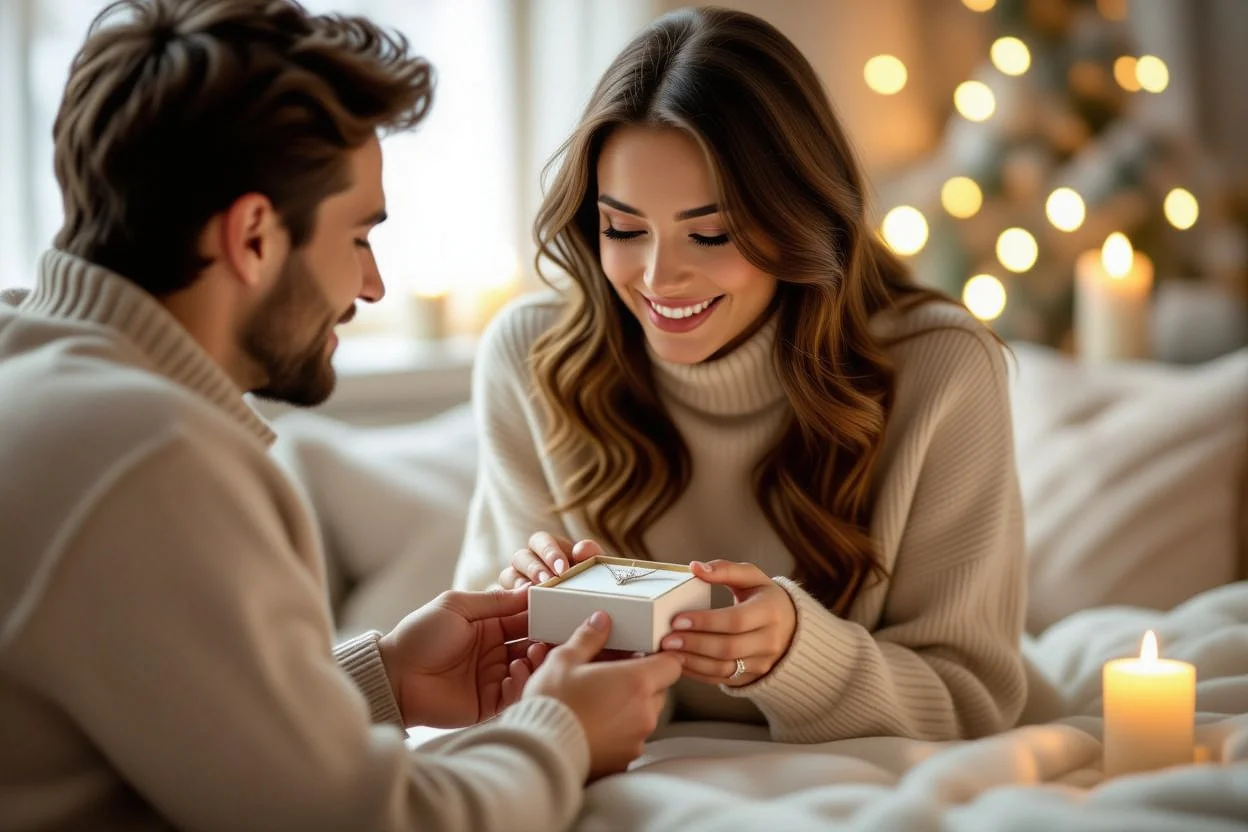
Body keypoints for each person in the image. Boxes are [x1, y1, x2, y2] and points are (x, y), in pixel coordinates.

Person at [0, 1, 681, 829]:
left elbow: (167, 730)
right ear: (253, 236)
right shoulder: (149, 456)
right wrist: (564, 730)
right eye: (359, 237)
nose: (372, 287)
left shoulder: (35, 375)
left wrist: (383, 677)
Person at [456, 5, 1029, 744]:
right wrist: (533, 631)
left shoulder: (945, 371)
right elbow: (483, 688)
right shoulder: (531, 359)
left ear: (797, 216)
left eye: (711, 232)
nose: (660, 278)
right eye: (623, 229)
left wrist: (797, 652)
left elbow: (973, 700)